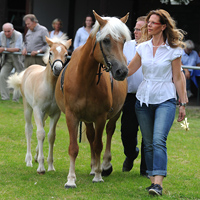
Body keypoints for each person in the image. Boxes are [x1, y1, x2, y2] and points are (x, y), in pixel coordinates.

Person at [127, 9, 187, 196]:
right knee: (149, 143)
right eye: (149, 23)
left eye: (153, 23)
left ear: (162, 26)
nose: (149, 25)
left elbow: (178, 77)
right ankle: (153, 182)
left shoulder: (173, 51)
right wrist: (112, 68)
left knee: (159, 140)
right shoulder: (142, 48)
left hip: (165, 100)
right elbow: (128, 71)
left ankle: (158, 184)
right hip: (143, 100)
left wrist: (182, 103)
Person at [121, 16, 148, 177]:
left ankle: (145, 170)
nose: (135, 32)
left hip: (147, 97)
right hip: (130, 96)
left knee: (148, 134)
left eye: (139, 29)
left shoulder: (153, 48)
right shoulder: (126, 46)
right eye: (135, 29)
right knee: (127, 132)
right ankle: (131, 154)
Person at [0, 23, 24, 101]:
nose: (6, 33)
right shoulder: (1, 34)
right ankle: (5, 97)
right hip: (7, 59)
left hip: (17, 59)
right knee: (2, 75)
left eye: (8, 31)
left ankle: (15, 99)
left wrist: (4, 49)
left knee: (18, 78)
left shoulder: (18, 35)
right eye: (5, 31)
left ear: (12, 30)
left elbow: (17, 49)